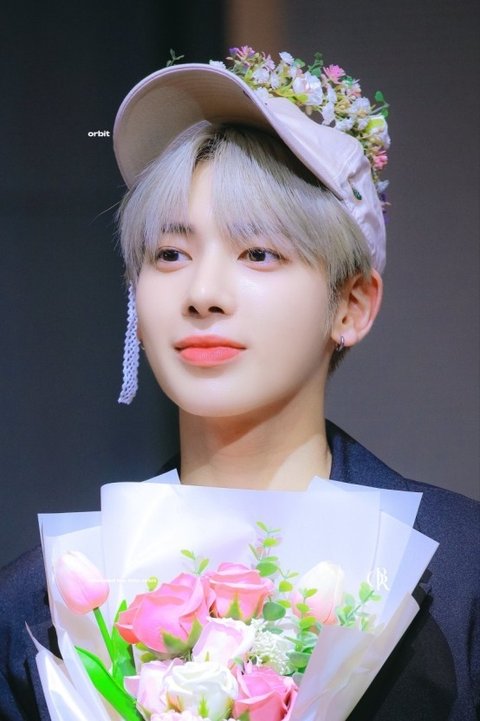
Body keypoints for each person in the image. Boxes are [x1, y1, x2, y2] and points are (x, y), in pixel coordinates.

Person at [0, 49, 478, 721]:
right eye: (170, 253)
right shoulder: (41, 606)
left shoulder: (460, 571)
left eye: (259, 252)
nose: (203, 292)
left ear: (352, 305)